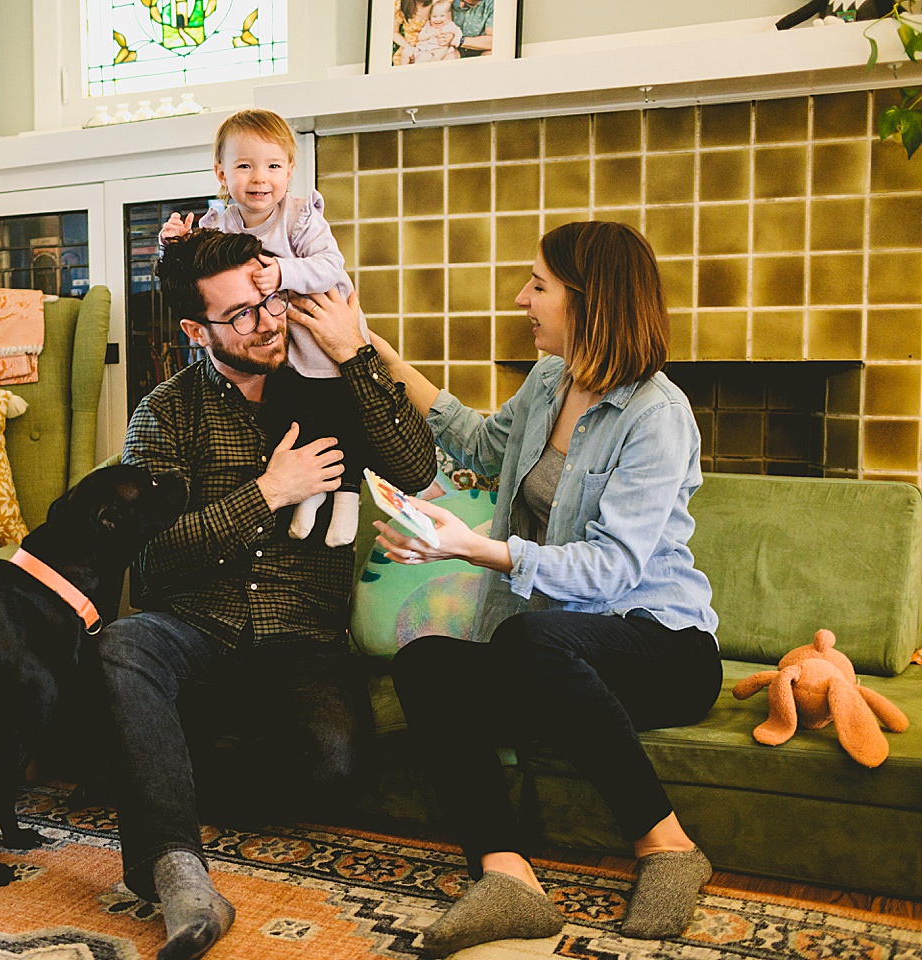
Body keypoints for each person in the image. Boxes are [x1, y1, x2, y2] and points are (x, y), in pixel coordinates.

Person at [368, 220, 721, 957]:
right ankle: (507, 876)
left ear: (587, 301)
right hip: (555, 657)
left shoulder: (658, 415)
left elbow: (613, 569)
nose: (522, 298)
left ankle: (668, 846)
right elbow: (474, 440)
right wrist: (371, 350)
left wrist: (477, 548)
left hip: (663, 648)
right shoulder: (548, 382)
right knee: (425, 661)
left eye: (539, 284)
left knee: (528, 637)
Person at [98, 227, 435, 960]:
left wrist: (357, 354)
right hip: (194, 626)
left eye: (270, 298)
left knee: (335, 766)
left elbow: (415, 465)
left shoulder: (333, 386)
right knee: (122, 646)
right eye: (241, 314)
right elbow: (147, 564)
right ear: (196, 330)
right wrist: (266, 493)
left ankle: (154, 766)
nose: (269, 320)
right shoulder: (165, 412)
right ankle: (177, 871)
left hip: (301, 637)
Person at [161, 108, 370, 546]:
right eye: (244, 166)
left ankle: (346, 495)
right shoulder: (219, 222)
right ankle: (308, 494)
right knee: (292, 413)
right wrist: (173, 241)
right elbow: (193, 267)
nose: (260, 178)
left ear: (290, 170)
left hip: (321, 326)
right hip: (280, 333)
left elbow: (332, 265)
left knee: (339, 407)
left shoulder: (299, 216)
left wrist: (282, 274)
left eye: (273, 166)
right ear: (221, 173)